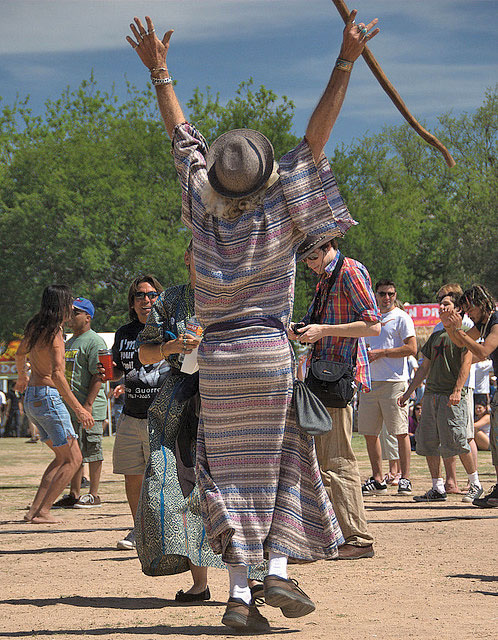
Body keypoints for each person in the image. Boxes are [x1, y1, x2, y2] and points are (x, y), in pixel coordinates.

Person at [127, 8, 379, 631]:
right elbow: (317, 138)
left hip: (216, 359)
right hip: (269, 353)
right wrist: (345, 60)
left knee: (225, 470)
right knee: (286, 459)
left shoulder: (201, 204)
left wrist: (160, 71)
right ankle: (276, 573)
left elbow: (181, 136)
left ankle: (240, 596)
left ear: (218, 172)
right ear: (266, 173)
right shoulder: (283, 205)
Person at [136, 244, 265, 602]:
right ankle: (200, 584)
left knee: (238, 487)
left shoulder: (234, 297)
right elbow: (144, 353)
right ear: (187, 258)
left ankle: (252, 579)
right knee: (185, 487)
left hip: (228, 398)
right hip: (183, 404)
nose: (204, 262)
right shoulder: (171, 300)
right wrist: (173, 346)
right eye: (197, 256)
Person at [291, 235, 380, 558]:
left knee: (339, 460)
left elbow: (373, 326)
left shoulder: (351, 271)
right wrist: (300, 329)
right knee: (323, 461)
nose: (309, 266)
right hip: (322, 378)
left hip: (338, 379)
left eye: (311, 259)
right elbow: (316, 322)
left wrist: (323, 331)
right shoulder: (326, 279)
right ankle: (334, 535)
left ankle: (358, 538)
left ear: (327, 247)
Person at [98, 275, 169, 550]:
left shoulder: (168, 330)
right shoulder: (124, 333)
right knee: (133, 476)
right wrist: (109, 373)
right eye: (140, 295)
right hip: (130, 415)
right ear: (132, 301)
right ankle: (139, 531)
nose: (146, 300)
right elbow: (120, 369)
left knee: (163, 479)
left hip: (161, 416)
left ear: (159, 298)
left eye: (151, 295)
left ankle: (164, 532)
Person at [14, 285, 93, 524]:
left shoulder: (35, 327)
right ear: (61, 304)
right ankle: (44, 511)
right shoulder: (55, 333)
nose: (71, 307)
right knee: (74, 459)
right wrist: (79, 409)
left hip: (32, 399)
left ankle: (34, 511)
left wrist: (22, 377)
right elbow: (58, 375)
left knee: (61, 458)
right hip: (48, 397)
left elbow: (19, 354)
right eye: (69, 302)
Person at [398, 291, 482, 503]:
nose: (442, 308)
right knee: (429, 442)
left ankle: (475, 484)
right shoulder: (436, 335)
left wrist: (457, 390)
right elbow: (424, 367)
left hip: (451, 396)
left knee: (458, 441)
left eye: (446, 304)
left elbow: (465, 365)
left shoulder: (465, 333)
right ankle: (437, 487)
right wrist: (410, 393)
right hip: (432, 395)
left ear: (458, 309)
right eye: (440, 304)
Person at [440, 284, 498, 508]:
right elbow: (459, 344)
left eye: (470, 309)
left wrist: (460, 331)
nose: (469, 314)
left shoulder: (495, 322)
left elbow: (483, 352)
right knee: (495, 442)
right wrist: (451, 328)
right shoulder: (482, 324)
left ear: (482, 304)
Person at [358, 279, 417, 496]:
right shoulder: (368, 318)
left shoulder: (401, 317)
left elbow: (412, 348)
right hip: (369, 381)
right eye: (382, 294)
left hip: (394, 382)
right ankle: (378, 479)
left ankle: (405, 478)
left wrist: (382, 353)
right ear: (375, 294)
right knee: (369, 433)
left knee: (400, 432)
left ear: (395, 295)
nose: (386, 298)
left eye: (390, 294)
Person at [54, 298, 108, 509]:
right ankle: (74, 493)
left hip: (89, 406)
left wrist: (87, 405)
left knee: (93, 448)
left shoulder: (94, 341)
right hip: (71, 406)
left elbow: (99, 375)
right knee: (74, 449)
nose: (70, 316)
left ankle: (93, 494)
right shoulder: (69, 342)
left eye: (75, 312)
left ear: (88, 317)